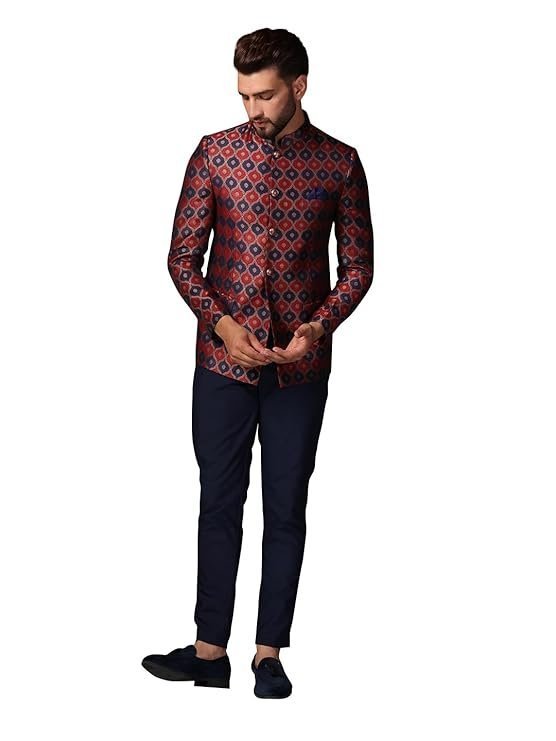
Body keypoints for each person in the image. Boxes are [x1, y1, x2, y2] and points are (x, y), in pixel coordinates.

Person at [142, 27, 373, 699]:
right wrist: (220, 324)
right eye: (244, 95)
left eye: (266, 95)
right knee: (218, 501)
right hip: (222, 367)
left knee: (286, 505)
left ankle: (268, 653)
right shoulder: (214, 153)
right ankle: (209, 651)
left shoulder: (340, 163)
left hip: (300, 371)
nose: (253, 108)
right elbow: (181, 258)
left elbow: (358, 267)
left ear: (299, 86)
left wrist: (317, 328)